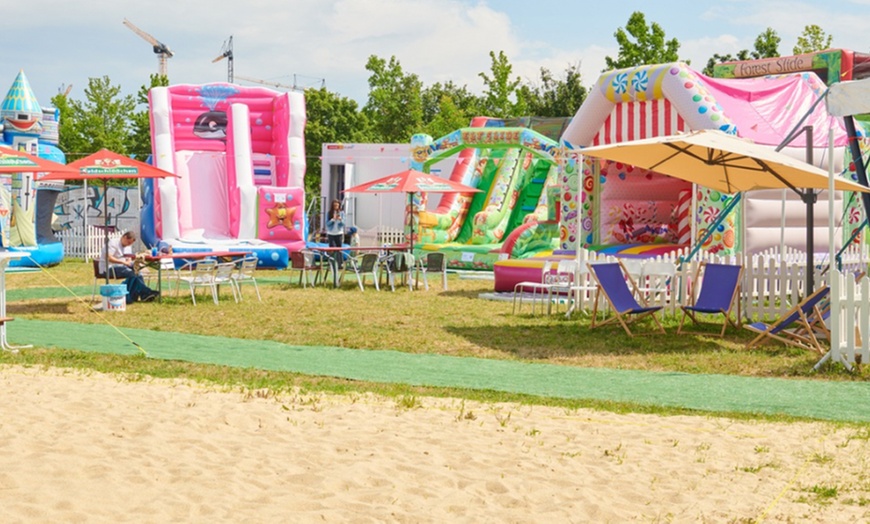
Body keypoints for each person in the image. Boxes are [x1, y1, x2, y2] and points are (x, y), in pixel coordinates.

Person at [100, 231, 159, 303]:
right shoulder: (113, 243)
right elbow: (109, 258)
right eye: (128, 242)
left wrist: (136, 264)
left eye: (130, 244)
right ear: (124, 237)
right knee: (132, 273)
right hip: (109, 268)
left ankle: (138, 295)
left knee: (137, 271)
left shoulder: (127, 246)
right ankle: (144, 293)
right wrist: (123, 262)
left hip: (122, 267)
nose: (129, 245)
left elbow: (129, 259)